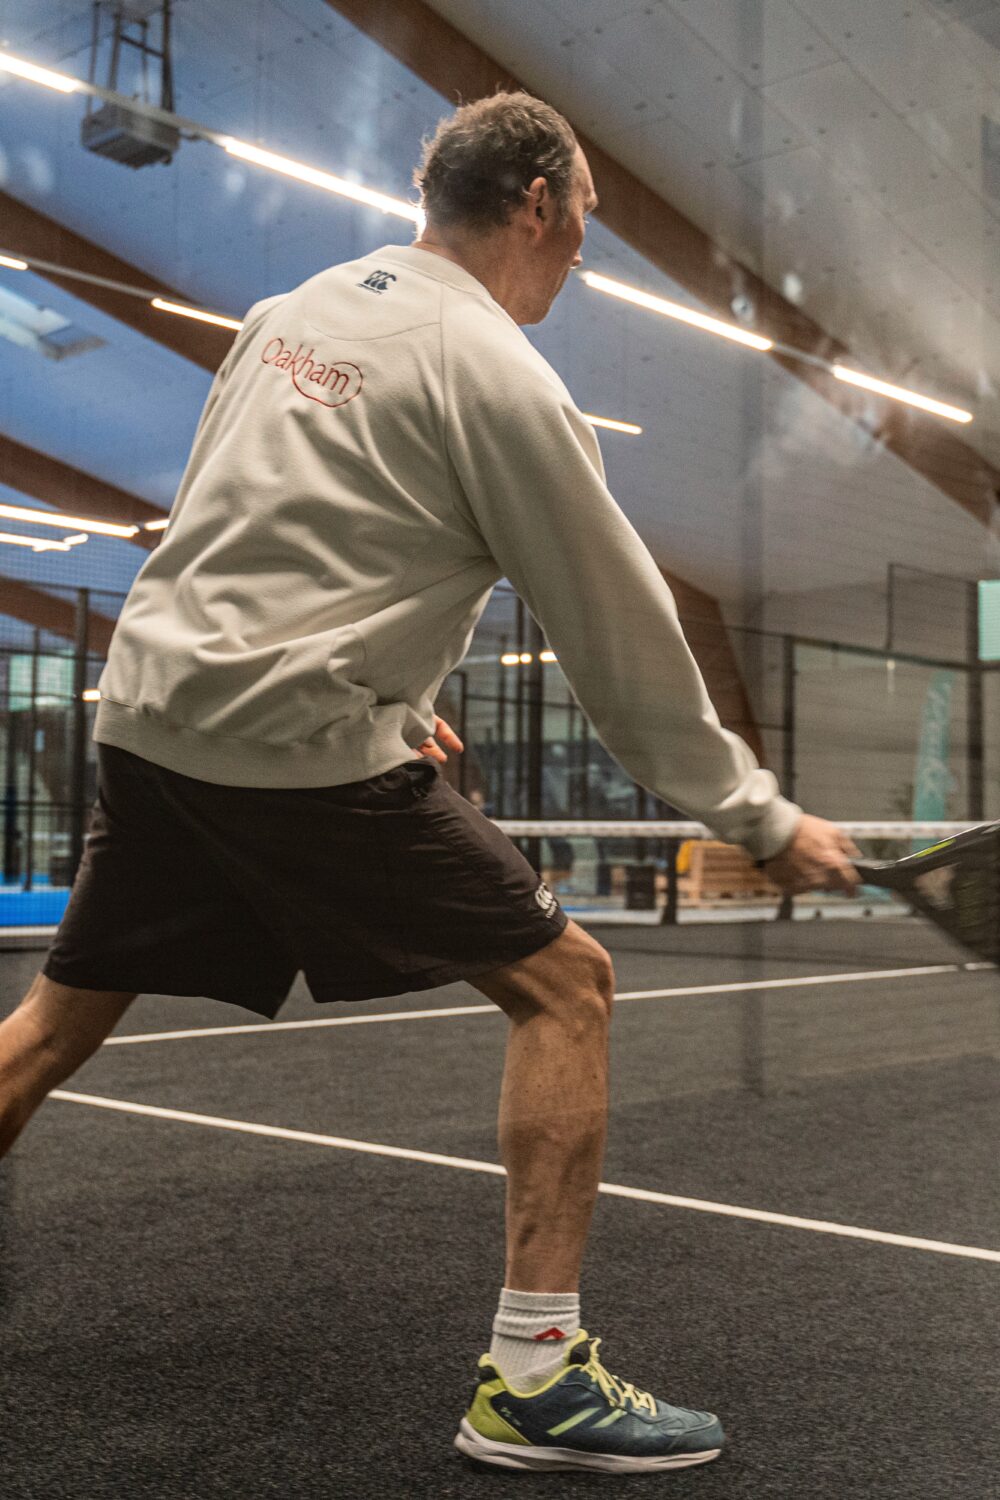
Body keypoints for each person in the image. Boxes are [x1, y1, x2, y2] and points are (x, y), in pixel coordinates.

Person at [0, 91, 859, 1475]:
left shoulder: (294, 309)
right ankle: (532, 1378)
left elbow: (245, 524)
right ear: (536, 203)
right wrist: (764, 818)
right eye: (583, 218)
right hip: (285, 752)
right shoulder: (502, 380)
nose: (582, 251)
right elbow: (626, 649)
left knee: (49, 1025)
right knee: (567, 984)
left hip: (153, 721)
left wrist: (395, 697)